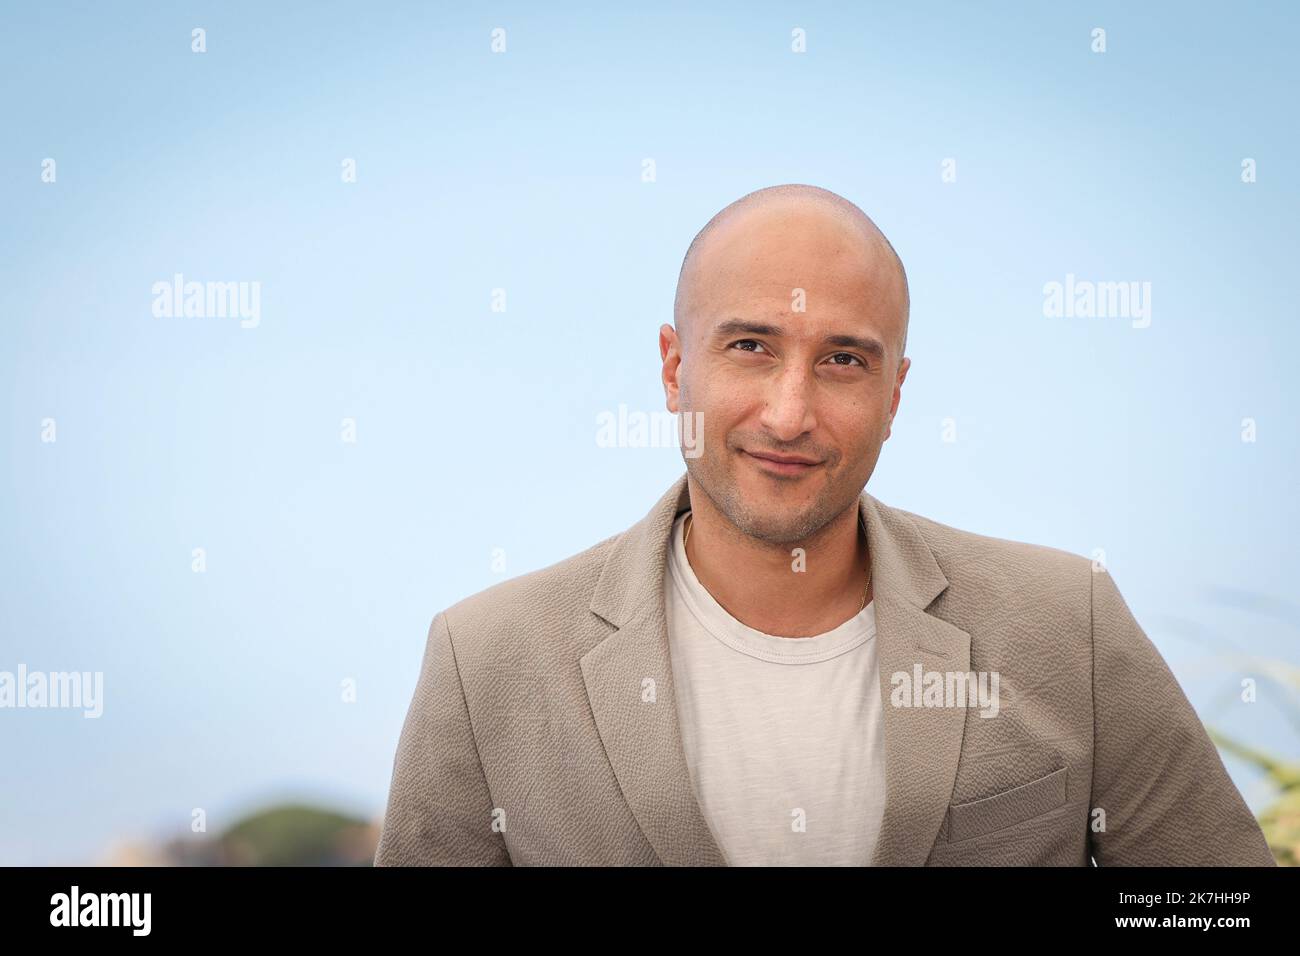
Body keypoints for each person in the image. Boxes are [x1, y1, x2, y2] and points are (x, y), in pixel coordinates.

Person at [375, 184, 1276, 866]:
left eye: (843, 359)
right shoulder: (483, 661)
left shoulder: (1067, 625)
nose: (789, 413)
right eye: (751, 347)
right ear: (672, 366)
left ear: (894, 395)